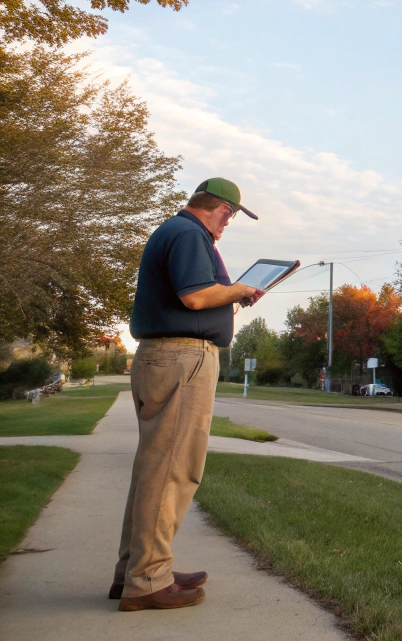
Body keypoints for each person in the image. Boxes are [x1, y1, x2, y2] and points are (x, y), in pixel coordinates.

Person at [110, 178, 264, 612]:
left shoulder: (174, 231)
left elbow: (195, 296)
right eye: (229, 216)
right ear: (221, 210)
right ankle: (148, 580)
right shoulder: (189, 234)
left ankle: (137, 571)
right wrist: (241, 289)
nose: (227, 224)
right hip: (182, 358)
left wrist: (233, 296)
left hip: (165, 357)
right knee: (173, 471)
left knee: (154, 470)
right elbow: (195, 296)